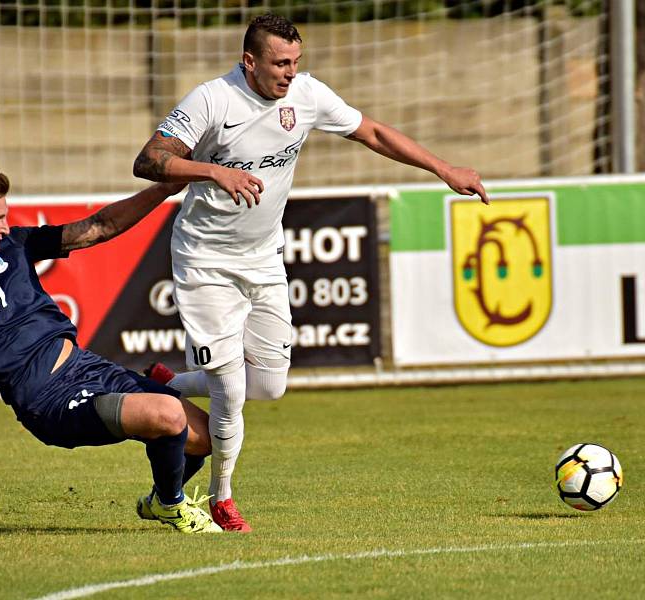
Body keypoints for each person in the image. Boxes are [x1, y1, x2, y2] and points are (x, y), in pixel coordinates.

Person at [133, 13, 489, 532]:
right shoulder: (212, 100)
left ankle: (167, 383)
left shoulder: (307, 95)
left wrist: (444, 169)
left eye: (297, 62)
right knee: (230, 391)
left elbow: (372, 132)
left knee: (270, 387)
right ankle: (221, 498)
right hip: (205, 262)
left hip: (264, 258)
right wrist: (214, 170)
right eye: (280, 63)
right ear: (249, 61)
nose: (290, 74)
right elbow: (149, 160)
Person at [0, 170, 222, 533]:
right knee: (169, 414)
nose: (5, 228)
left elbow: (99, 226)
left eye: (5, 217)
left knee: (208, 436)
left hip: (87, 367)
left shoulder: (14, 246)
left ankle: (159, 498)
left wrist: (167, 189)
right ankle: (172, 506)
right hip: (47, 400)